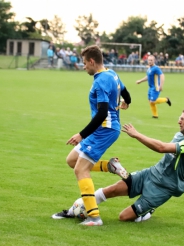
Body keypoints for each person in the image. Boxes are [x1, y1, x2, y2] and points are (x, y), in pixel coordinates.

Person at [52, 108, 184, 223]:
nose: (179, 121)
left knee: (124, 217)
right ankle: (73, 211)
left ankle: (148, 210)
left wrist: (137, 134)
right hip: (151, 173)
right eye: (180, 118)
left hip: (165, 186)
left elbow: (162, 148)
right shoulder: (179, 135)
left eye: (183, 119)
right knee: (112, 189)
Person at [53, 45, 131, 226]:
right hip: (103, 129)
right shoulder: (112, 74)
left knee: (80, 169)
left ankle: (94, 217)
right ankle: (109, 166)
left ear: (92, 61)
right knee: (72, 160)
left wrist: (81, 134)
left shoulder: (101, 81)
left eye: (84, 63)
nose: (83, 67)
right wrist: (127, 102)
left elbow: (102, 113)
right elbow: (126, 93)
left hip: (105, 130)